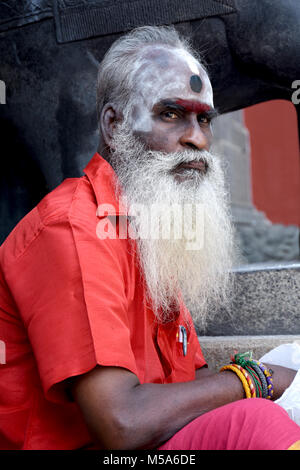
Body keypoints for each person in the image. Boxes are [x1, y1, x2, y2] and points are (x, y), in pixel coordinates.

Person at [0, 25, 300, 451]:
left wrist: (276, 376)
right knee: (253, 422)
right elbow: (122, 424)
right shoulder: (72, 227)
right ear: (114, 124)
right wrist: (258, 379)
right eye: (172, 114)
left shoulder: (151, 229)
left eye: (205, 119)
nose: (197, 139)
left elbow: (188, 390)